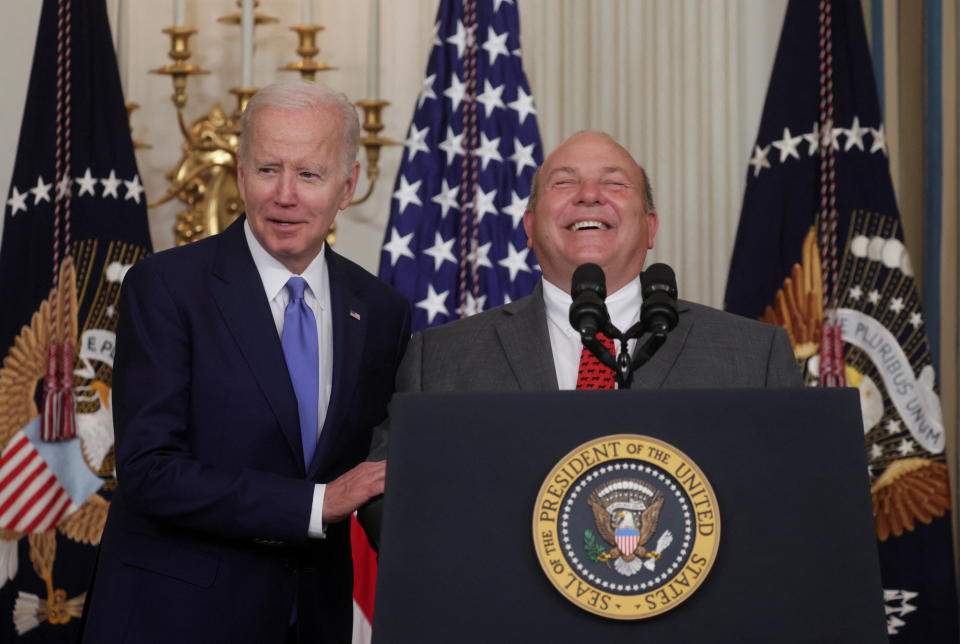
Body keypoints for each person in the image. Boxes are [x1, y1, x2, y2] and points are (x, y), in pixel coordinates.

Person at [81, 81, 410, 643]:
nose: (285, 195)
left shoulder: (380, 311)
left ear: (348, 185)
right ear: (239, 174)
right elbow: (150, 471)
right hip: (176, 620)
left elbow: (377, 467)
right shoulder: (166, 287)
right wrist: (318, 503)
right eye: (267, 170)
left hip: (313, 620)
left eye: (310, 174)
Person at [365, 130, 799, 466]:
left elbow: (795, 492)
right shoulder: (440, 359)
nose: (589, 195)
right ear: (529, 228)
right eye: (563, 182)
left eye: (615, 183)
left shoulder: (752, 356)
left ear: (650, 228)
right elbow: (391, 495)